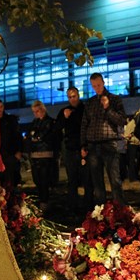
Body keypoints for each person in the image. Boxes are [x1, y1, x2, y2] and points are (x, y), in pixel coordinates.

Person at [80, 73, 128, 206]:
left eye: (99, 85)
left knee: (115, 180)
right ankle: (100, 212)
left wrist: (108, 108)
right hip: (93, 145)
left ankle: (120, 209)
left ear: (103, 83)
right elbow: (84, 124)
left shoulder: (114, 99)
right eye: (94, 86)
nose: (97, 88)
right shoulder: (90, 102)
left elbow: (122, 120)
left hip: (110, 143)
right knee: (97, 182)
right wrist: (83, 144)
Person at [55, 87, 94, 215]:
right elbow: (57, 128)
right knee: (72, 180)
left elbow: (88, 128)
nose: (72, 99)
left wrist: (86, 147)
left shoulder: (85, 109)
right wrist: (64, 118)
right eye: (70, 97)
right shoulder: (64, 111)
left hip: (84, 149)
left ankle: (88, 207)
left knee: (87, 180)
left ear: (78, 95)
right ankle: (73, 207)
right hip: (70, 150)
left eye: (74, 96)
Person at [28, 100, 56, 212]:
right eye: (34, 111)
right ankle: (42, 202)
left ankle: (44, 203)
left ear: (43, 109)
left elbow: (43, 136)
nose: (35, 113)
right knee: (38, 180)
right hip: (35, 155)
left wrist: (36, 137)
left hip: (45, 155)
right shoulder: (35, 122)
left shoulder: (49, 122)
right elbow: (32, 136)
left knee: (44, 180)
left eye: (37, 111)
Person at [0, 99, 24, 190]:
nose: (0, 109)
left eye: (1, 107)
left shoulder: (10, 120)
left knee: (11, 181)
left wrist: (19, 151)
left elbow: (17, 136)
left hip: (11, 154)